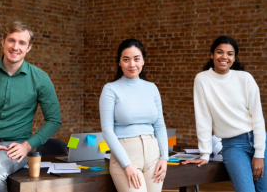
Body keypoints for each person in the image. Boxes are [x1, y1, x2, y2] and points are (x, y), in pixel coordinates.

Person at [0, 21, 61, 192]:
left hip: (15, 147)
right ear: (3, 42)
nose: (15, 47)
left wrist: (27, 146)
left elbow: (54, 120)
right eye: (11, 40)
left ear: (29, 48)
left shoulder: (40, 78)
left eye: (22, 43)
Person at [183, 36, 267, 192]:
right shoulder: (202, 79)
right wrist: (205, 154)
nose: (224, 57)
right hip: (233, 145)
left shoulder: (245, 78)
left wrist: (259, 154)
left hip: (259, 140)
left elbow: (257, 117)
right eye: (219, 52)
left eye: (230, 53)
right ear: (212, 54)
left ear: (234, 58)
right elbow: (203, 118)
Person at [99, 39, 168, 192]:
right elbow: (107, 130)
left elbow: (160, 125)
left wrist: (164, 157)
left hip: (153, 155)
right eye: (126, 59)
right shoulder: (110, 89)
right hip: (126, 154)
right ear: (119, 63)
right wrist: (126, 164)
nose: (132, 64)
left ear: (143, 61)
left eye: (136, 59)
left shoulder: (152, 88)